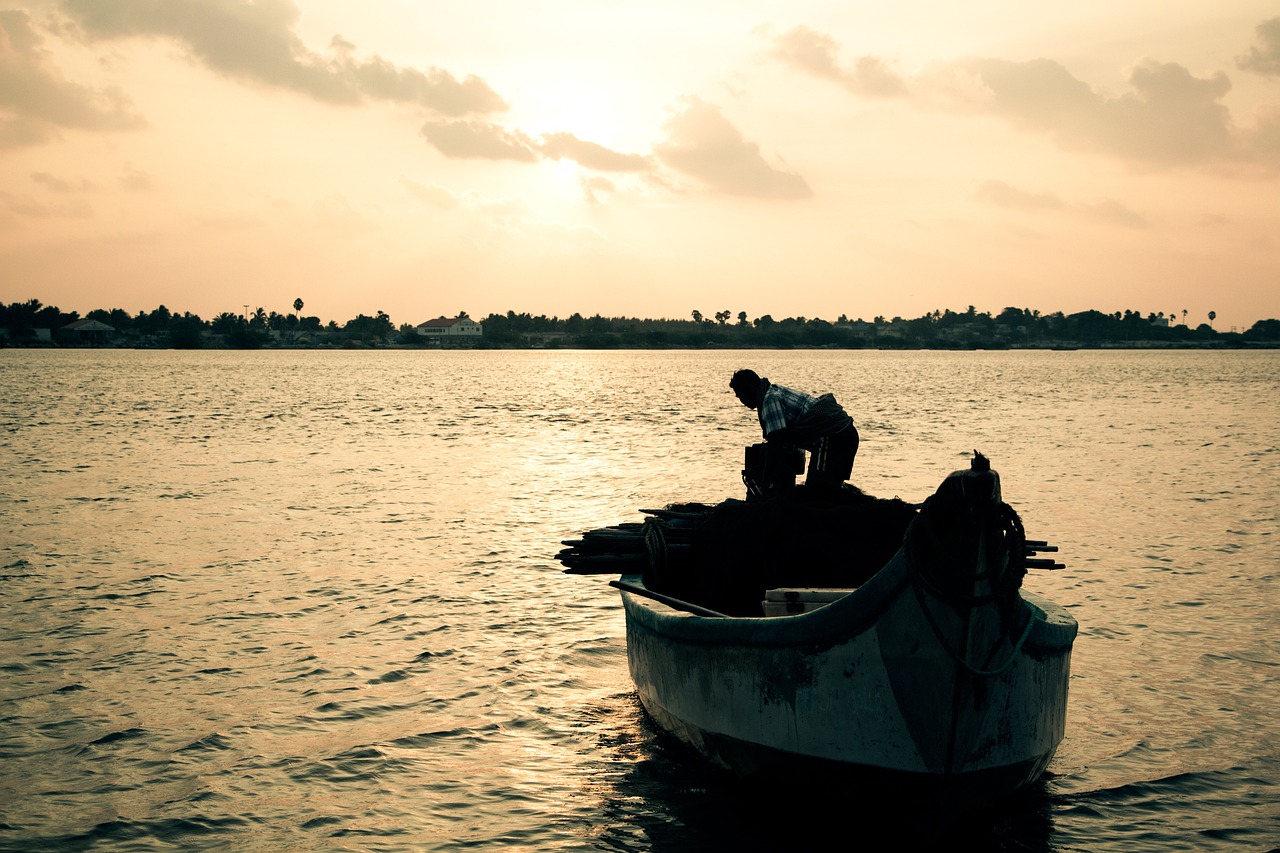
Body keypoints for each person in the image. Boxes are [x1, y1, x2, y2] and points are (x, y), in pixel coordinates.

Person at [729, 369, 859, 495]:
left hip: (834, 436)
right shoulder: (773, 392)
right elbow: (782, 440)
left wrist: (766, 483)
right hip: (843, 434)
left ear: (751, 388)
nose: (743, 401)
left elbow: (776, 443)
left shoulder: (770, 400)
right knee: (827, 489)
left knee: (819, 492)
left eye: (742, 394)